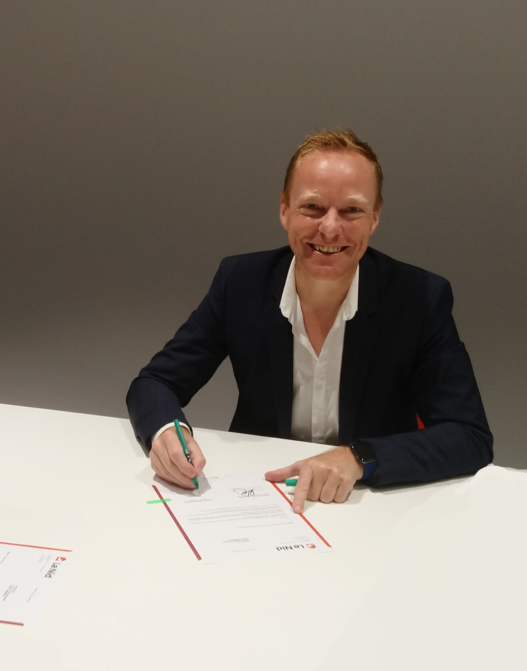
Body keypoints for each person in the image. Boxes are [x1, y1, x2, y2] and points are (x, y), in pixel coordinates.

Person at [126, 128, 492, 513]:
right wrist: (165, 431)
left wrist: (358, 458)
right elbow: (155, 382)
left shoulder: (419, 299)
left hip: (368, 503)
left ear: (375, 217)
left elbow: (468, 436)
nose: (330, 228)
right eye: (313, 207)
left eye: (352, 210)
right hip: (262, 492)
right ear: (284, 209)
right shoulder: (240, 283)